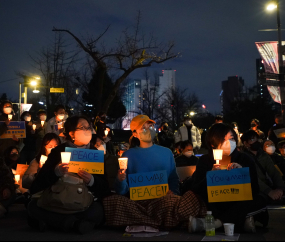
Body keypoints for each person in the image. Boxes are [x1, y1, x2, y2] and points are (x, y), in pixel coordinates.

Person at [103, 115, 206, 230]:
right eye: (144, 128)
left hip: (163, 201)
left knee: (190, 199)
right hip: (137, 204)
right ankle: (168, 221)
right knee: (112, 202)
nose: (149, 130)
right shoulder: (127, 156)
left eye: (151, 126)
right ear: (135, 133)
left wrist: (173, 194)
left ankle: (146, 221)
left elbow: (173, 179)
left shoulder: (166, 153)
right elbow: (122, 191)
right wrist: (121, 180)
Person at [29, 116, 109, 234]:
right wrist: (56, 173)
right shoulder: (58, 152)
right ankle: (74, 224)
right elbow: (36, 186)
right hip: (57, 202)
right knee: (32, 206)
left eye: (88, 127)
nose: (87, 130)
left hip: (83, 204)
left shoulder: (95, 154)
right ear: (71, 133)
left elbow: (105, 188)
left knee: (99, 211)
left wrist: (92, 180)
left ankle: (57, 223)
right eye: (82, 127)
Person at [190, 123, 266, 233]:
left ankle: (216, 224)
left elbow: (254, 189)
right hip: (215, 204)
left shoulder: (245, 159)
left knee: (260, 200)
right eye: (223, 139)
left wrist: (241, 173)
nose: (229, 143)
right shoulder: (204, 160)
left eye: (231, 139)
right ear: (212, 143)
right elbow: (196, 189)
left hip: (239, 203)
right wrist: (210, 176)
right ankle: (240, 221)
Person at [241, 130, 285, 204]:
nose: (256, 141)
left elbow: (274, 172)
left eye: (257, 139)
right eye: (252, 139)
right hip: (256, 191)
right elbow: (252, 177)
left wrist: (280, 188)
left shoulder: (264, 155)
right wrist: (269, 191)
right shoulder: (243, 158)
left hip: (270, 188)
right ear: (246, 143)